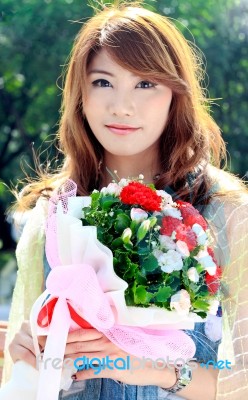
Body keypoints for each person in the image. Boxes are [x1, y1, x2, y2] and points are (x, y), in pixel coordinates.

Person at [2, 1, 248, 399]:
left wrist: (159, 370)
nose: (122, 105)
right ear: (79, 93)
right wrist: (30, 351)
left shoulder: (227, 212)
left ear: (175, 94)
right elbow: (26, 372)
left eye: (145, 84)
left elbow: (242, 380)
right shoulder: (52, 213)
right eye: (103, 82)